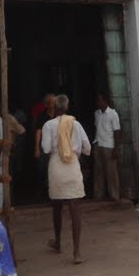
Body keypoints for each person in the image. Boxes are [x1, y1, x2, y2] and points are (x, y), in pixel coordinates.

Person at [41, 94, 92, 264]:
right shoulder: (75, 124)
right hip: (72, 166)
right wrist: (75, 151)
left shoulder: (48, 125)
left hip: (56, 166)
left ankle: (58, 242)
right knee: (74, 209)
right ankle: (76, 253)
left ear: (54, 108)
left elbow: (46, 148)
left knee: (56, 207)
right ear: (67, 107)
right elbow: (87, 148)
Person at [93, 93, 121, 202]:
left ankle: (114, 196)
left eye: (100, 100)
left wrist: (116, 148)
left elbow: (117, 131)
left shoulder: (113, 114)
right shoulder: (97, 113)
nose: (98, 103)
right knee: (98, 172)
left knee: (111, 173)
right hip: (98, 144)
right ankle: (98, 195)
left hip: (109, 146)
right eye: (98, 100)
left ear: (105, 101)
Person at [33, 93, 56, 202]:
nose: (52, 105)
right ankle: (42, 193)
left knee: (54, 171)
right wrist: (36, 148)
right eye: (50, 103)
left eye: (54, 103)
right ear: (46, 104)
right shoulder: (42, 116)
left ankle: (53, 194)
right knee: (42, 170)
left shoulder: (59, 115)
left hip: (56, 148)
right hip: (44, 147)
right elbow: (38, 132)